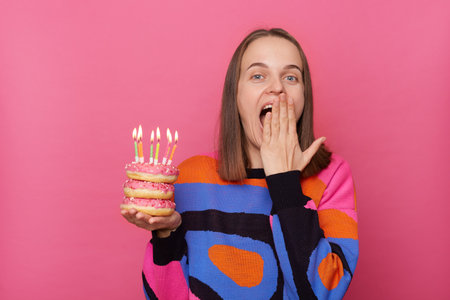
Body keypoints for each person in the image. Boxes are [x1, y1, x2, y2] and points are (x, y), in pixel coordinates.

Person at [121, 28, 359, 299]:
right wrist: (166, 235)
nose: (277, 87)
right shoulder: (189, 177)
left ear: (304, 97)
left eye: (291, 76)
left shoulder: (333, 176)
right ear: (235, 95)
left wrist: (285, 182)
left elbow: (323, 292)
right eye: (258, 75)